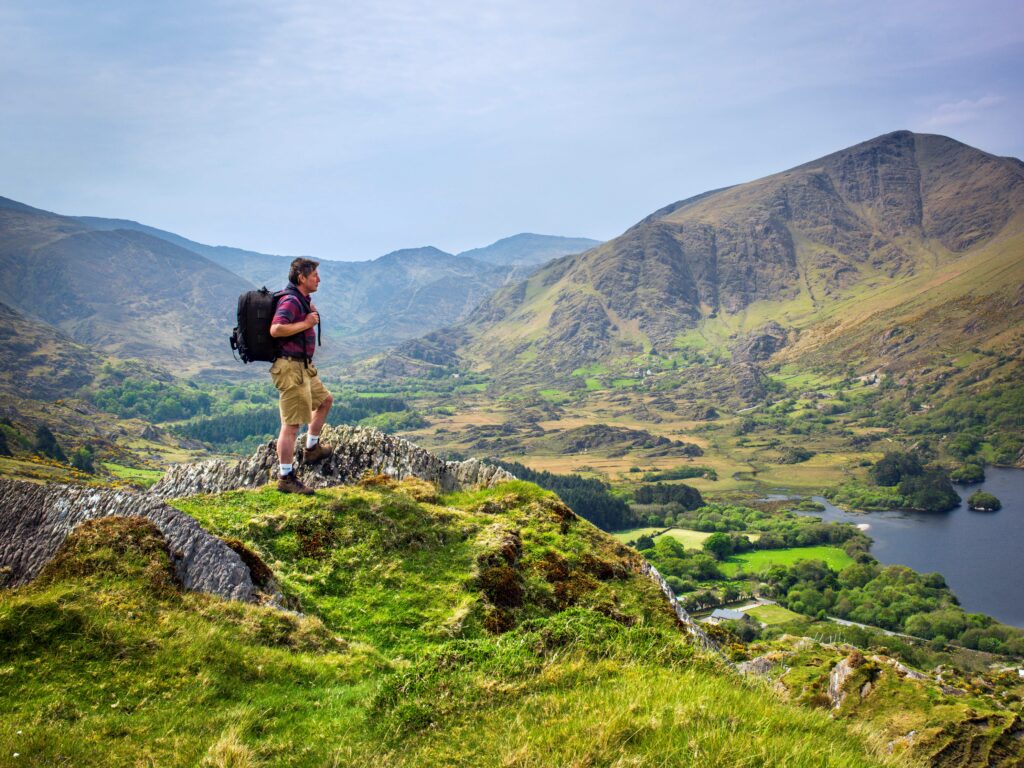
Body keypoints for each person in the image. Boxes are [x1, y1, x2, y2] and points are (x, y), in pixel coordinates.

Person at [269, 258, 334, 494]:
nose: (318, 279)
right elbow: (276, 329)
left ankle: (312, 449)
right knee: (291, 426)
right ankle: (285, 477)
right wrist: (306, 322)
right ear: (301, 278)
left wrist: (309, 314)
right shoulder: (290, 301)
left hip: (304, 366)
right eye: (314, 275)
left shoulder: (302, 301)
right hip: (290, 368)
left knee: (325, 400)